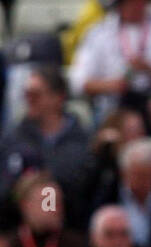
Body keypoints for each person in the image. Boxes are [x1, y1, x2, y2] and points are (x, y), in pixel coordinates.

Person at [0, 67, 94, 230]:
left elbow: (84, 188)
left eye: (35, 95)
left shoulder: (81, 140)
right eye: (26, 94)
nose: (29, 100)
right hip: (19, 234)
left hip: (70, 233)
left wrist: (45, 193)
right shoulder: (14, 138)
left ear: (58, 97)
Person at [68, 0, 151, 120]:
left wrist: (150, 69)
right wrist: (111, 85)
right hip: (113, 104)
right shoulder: (98, 33)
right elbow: (78, 82)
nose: (136, 6)